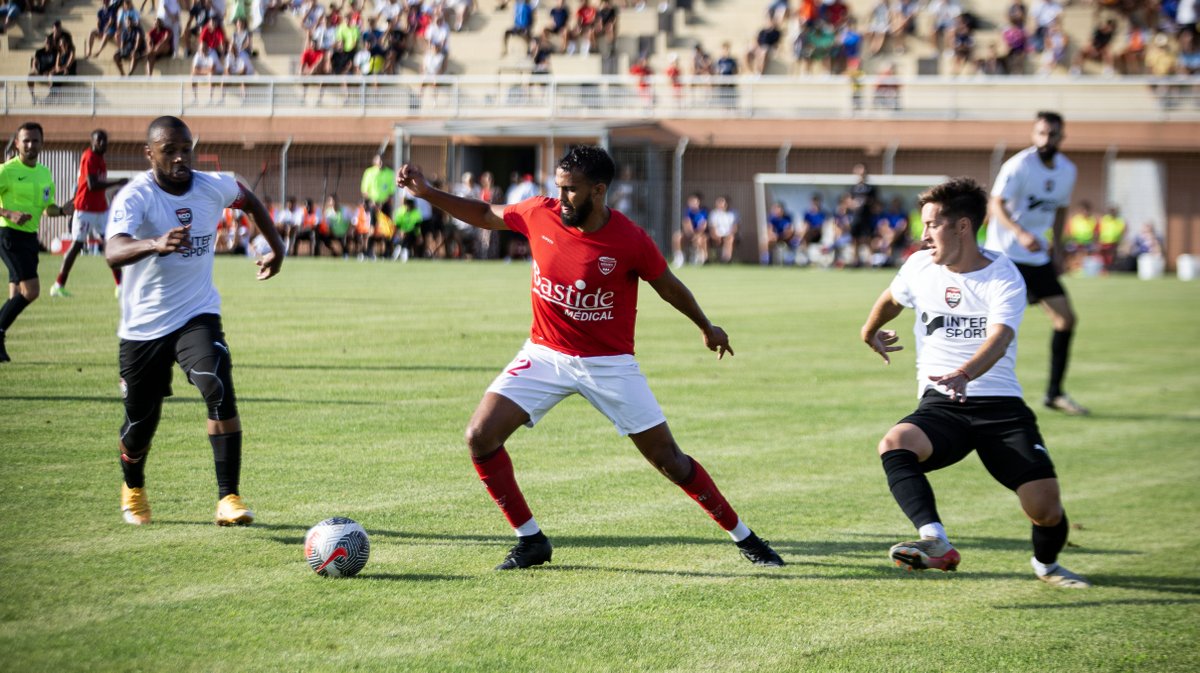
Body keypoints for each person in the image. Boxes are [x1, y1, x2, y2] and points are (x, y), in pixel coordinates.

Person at [396, 146, 784, 570]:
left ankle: (746, 538)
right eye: (559, 188)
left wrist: (706, 326)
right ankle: (530, 540)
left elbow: (668, 285)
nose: (561, 199)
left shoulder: (630, 240)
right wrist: (427, 192)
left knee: (670, 461)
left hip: (609, 365)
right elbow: (486, 213)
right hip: (544, 354)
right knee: (479, 436)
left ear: (599, 191)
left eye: (571, 191)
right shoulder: (538, 213)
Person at [860, 176, 1091, 589]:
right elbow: (892, 299)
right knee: (895, 444)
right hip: (943, 405)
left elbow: (1000, 338)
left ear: (962, 226)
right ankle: (935, 541)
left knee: (1046, 511)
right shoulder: (918, 266)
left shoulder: (1004, 276)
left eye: (932, 224)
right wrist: (869, 330)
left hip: (1000, 408)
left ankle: (1047, 565)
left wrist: (967, 372)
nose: (924, 234)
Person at [104, 116, 285, 526]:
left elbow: (249, 200)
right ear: (149, 153)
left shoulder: (212, 185)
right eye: (169, 150)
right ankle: (133, 487)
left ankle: (229, 498)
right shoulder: (135, 197)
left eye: (187, 148)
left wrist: (276, 248)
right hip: (143, 328)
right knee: (139, 425)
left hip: (196, 314)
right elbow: (113, 251)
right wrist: (154, 243)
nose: (181, 157)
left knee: (216, 383)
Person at [984, 111, 1087, 415]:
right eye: (1040, 133)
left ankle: (1054, 394)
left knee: (1065, 319)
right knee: (995, 327)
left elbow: (1060, 210)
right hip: (1005, 256)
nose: (1045, 140)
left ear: (1061, 136)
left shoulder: (1067, 170)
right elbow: (995, 203)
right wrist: (1019, 232)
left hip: (1036, 257)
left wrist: (1058, 249)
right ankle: (981, 394)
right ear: (1033, 134)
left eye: (1052, 134)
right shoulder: (1018, 166)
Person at [0, 122, 74, 363]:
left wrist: (63, 210)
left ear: (42, 144)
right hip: (8, 234)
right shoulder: (6, 170)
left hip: (30, 238)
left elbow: (46, 208)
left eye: (35, 140)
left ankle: (0, 342)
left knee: (16, 294)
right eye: (26, 140)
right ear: (17, 143)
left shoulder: (44, 173)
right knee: (31, 291)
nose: (31, 145)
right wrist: (9, 213)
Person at [50, 130, 129, 299]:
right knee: (77, 245)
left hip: (100, 209)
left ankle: (121, 286)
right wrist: (117, 182)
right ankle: (58, 284)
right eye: (99, 140)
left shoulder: (100, 159)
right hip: (85, 209)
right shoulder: (89, 157)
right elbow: (92, 185)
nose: (102, 143)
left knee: (111, 244)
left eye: (105, 140)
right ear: (92, 141)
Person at [848, 162, 879, 267]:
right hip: (856, 217)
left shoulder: (871, 188)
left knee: (869, 239)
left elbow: (875, 203)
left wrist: (867, 201)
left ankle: (871, 261)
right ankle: (855, 260)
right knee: (855, 239)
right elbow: (849, 202)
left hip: (867, 217)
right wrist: (854, 204)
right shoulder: (853, 188)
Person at [708, 195, 738, 264]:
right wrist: (716, 236)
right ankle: (706, 259)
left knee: (730, 238)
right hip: (716, 236)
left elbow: (735, 227)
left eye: (723, 203)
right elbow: (712, 228)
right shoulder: (713, 214)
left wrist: (730, 234)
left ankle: (726, 259)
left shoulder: (733, 213)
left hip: (728, 235)